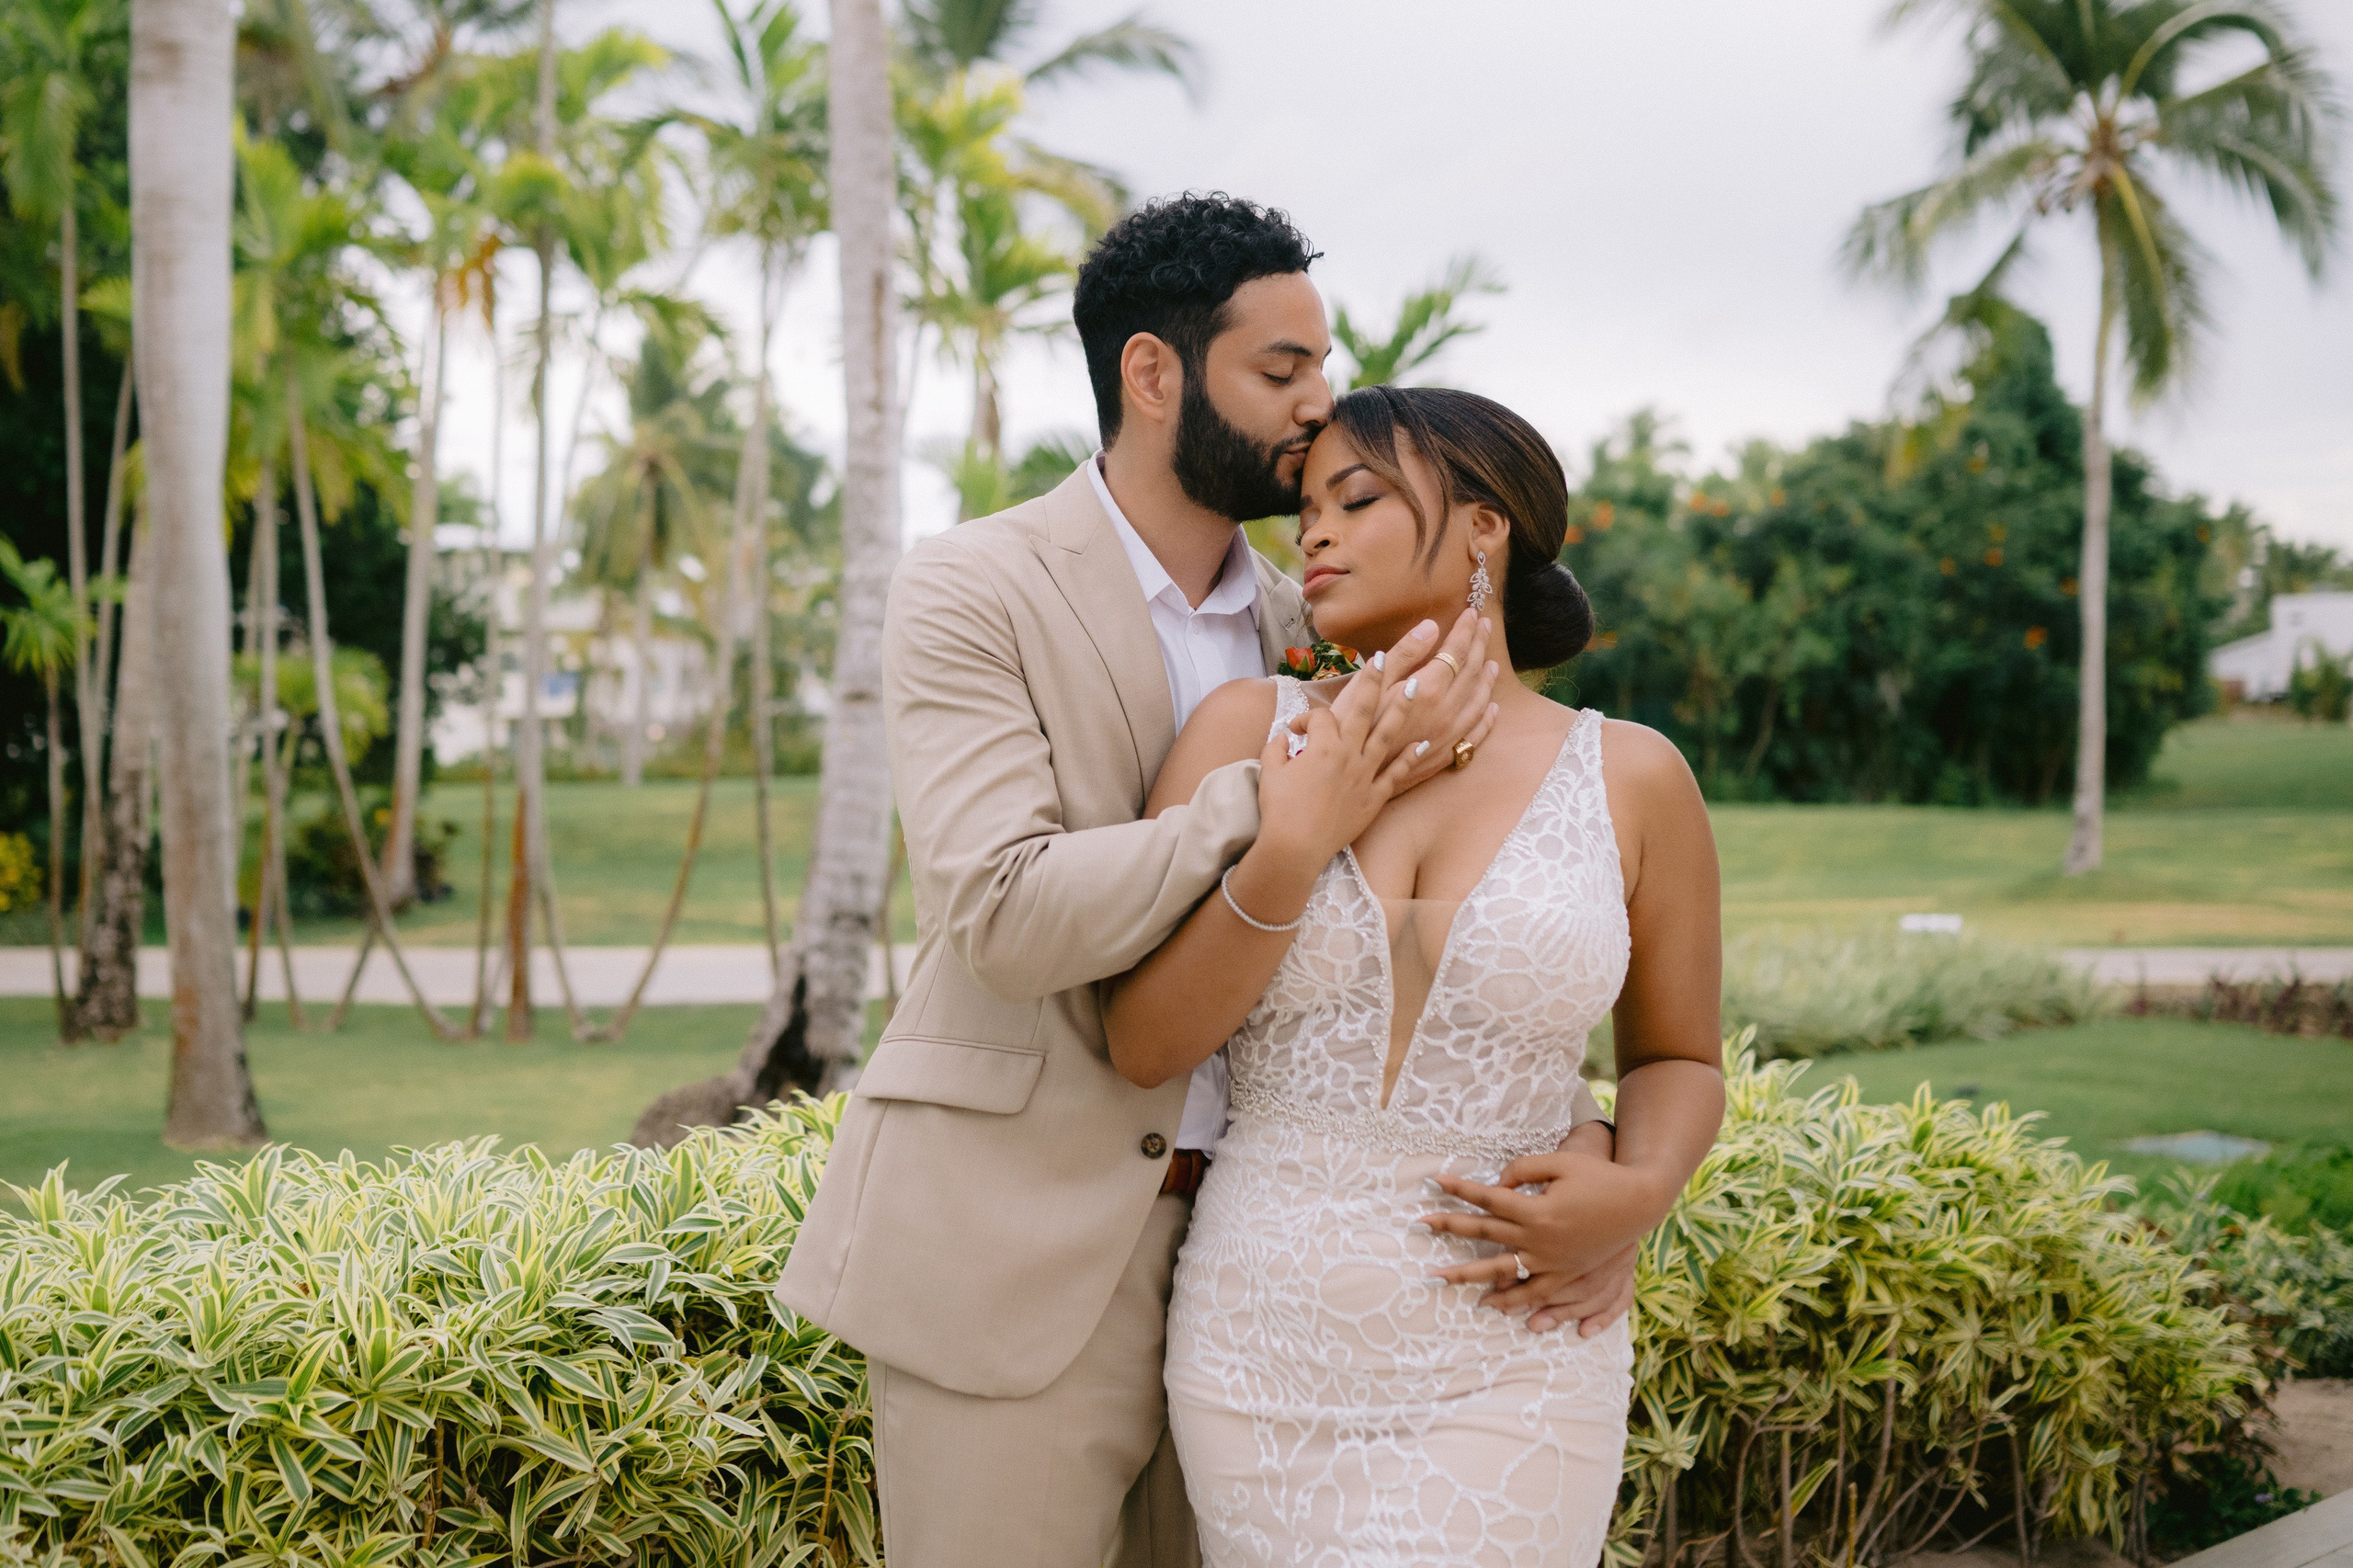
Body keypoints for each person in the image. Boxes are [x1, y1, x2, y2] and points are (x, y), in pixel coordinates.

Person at [775, 193, 1638, 1568]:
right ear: (1153, 373)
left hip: (1268, 1267)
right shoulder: (974, 585)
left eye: (1323, 366)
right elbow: (1001, 912)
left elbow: (1454, 934)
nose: (1319, 405)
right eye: (1282, 369)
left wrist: (1590, 1155)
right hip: (1022, 1249)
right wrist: (1275, 802)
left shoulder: (1326, 618)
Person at [1104, 384, 1727, 1566]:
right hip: (1259, 1348)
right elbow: (1144, 1040)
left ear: (1485, 525)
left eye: (1355, 499)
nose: (1314, 533)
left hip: (1516, 1341)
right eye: (1305, 509)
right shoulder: (1245, 732)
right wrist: (1298, 837)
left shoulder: (1634, 776)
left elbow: (1677, 1055)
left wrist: (1640, 1187)